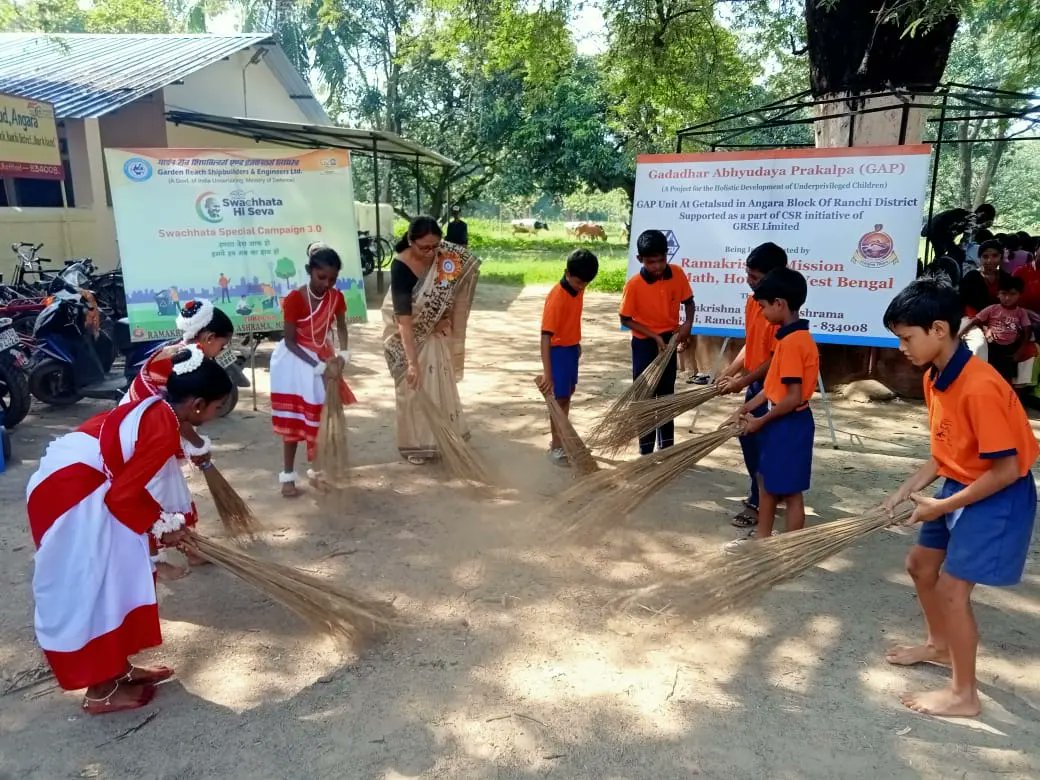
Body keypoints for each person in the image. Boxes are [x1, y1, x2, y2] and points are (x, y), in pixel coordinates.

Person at [27, 349, 233, 715]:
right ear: (198, 405)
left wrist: (164, 525)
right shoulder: (163, 427)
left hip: (86, 486)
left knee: (123, 575)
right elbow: (123, 497)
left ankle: (116, 670)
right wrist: (163, 526)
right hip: (72, 494)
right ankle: (100, 690)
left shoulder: (161, 409)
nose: (217, 415)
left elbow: (128, 489)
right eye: (218, 407)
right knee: (98, 585)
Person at [880, 278, 1038, 717]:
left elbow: (1006, 471)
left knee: (952, 588)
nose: (902, 348)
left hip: (997, 494)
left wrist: (941, 506)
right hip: (960, 481)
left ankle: (964, 696)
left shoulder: (980, 386)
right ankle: (939, 645)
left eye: (907, 338)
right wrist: (907, 488)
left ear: (938, 330)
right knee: (919, 565)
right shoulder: (935, 377)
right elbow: (943, 450)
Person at [725, 268, 818, 548]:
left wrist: (760, 421)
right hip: (782, 421)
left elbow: (791, 398)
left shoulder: (793, 343)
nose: (762, 313)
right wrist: (746, 408)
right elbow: (772, 387)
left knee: (790, 493)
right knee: (766, 483)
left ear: (779, 304)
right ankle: (763, 541)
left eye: (763, 306)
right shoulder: (788, 338)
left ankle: (789, 549)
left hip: (790, 424)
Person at [383, 216, 480, 464]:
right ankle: (416, 445)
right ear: (410, 241)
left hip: (435, 333)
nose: (430, 253)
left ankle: (443, 439)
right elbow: (403, 322)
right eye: (423, 247)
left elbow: (462, 274)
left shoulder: (445, 258)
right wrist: (412, 363)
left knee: (439, 384)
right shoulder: (400, 267)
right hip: (407, 333)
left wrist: (443, 317)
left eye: (435, 246)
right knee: (413, 388)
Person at [270, 244, 355, 497]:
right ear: (309, 271)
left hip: (323, 358)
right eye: (321, 277)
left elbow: (341, 327)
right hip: (294, 364)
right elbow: (290, 341)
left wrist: (343, 355)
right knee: (294, 421)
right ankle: (288, 477)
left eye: (333, 278)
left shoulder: (336, 298)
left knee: (319, 419)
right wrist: (316, 366)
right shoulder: (295, 299)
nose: (327, 283)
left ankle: (318, 473)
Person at [716, 242, 788, 529]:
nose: (750, 281)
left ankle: (759, 501)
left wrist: (742, 381)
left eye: (756, 278)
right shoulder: (753, 303)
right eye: (748, 274)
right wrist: (731, 371)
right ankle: (766, 493)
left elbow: (774, 358)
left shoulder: (780, 313)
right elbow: (752, 344)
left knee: (763, 445)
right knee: (748, 439)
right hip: (755, 385)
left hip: (773, 389)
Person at [619, 229, 695, 455]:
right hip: (644, 344)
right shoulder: (634, 286)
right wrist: (652, 335)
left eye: (662, 260)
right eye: (651, 262)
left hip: (669, 341)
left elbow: (689, 303)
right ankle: (645, 450)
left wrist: (687, 325)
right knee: (644, 395)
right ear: (640, 260)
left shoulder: (677, 274)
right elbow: (626, 319)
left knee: (666, 395)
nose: (658, 266)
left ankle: (666, 448)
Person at [536, 248, 599, 465]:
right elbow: (545, 337)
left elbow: (572, 319)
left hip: (571, 350)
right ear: (567, 272)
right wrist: (548, 373)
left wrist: (576, 343)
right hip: (558, 352)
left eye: (585, 284)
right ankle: (556, 446)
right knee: (558, 399)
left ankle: (562, 440)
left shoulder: (578, 289)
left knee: (566, 397)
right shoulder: (557, 298)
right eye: (578, 283)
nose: (582, 287)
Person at [958, 275, 1033, 383]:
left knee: (1006, 379)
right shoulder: (992, 309)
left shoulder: (1021, 312)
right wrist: (959, 335)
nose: (1007, 298)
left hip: (1011, 349)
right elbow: (974, 320)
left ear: (1020, 295)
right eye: (1004, 293)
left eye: (1012, 294)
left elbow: (1027, 331)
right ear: (998, 294)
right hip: (993, 347)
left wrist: (1020, 351)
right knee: (990, 374)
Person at [959, 239, 1013, 362]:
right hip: (971, 320)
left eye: (994, 256)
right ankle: (979, 377)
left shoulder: (1006, 278)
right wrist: (984, 326)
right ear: (980, 258)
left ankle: (1019, 381)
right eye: (985, 256)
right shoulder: (971, 277)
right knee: (979, 343)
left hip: (1000, 320)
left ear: (1000, 257)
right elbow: (965, 305)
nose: (990, 260)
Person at [921, 203, 995, 262]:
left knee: (942, 255)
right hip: (938, 231)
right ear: (982, 214)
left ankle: (935, 268)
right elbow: (965, 242)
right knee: (954, 254)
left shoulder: (966, 214)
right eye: (986, 220)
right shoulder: (973, 218)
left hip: (934, 229)